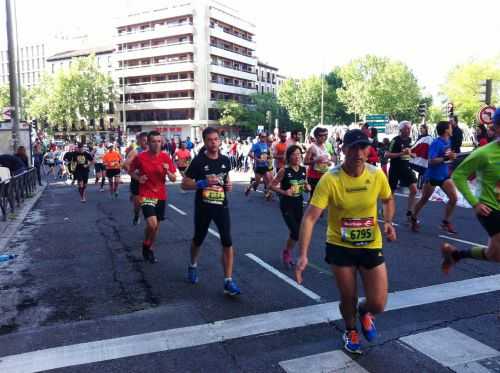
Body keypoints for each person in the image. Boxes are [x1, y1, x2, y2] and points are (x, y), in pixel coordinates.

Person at [295, 129, 396, 354]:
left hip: (370, 244)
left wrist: (388, 222)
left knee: (378, 303)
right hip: (340, 245)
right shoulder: (330, 179)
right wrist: (303, 255)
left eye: (363, 147)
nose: (359, 153)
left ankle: (365, 311)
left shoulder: (376, 174)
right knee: (347, 296)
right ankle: (350, 330)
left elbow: (388, 200)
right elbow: (310, 217)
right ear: (344, 149)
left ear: (368, 150)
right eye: (353, 148)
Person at [181, 127, 240, 296]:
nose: (213, 142)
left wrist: (228, 185)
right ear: (205, 142)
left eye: (216, 139)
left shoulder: (225, 160)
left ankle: (228, 281)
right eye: (210, 140)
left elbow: (226, 179)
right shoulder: (198, 161)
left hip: (221, 205)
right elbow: (184, 184)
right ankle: (193, 265)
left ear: (219, 140)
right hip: (204, 206)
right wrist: (202, 184)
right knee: (198, 239)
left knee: (227, 241)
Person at [441, 109, 500, 273]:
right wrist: (475, 203)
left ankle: (456, 255)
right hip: (489, 208)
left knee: (494, 254)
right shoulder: (484, 153)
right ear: (497, 128)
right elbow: (459, 175)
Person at [129, 131, 177, 263]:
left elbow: (173, 179)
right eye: (154, 141)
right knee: (152, 223)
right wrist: (139, 178)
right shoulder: (140, 157)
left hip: (161, 195)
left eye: (159, 141)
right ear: (148, 143)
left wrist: (167, 171)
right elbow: (130, 170)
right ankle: (146, 244)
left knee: (155, 227)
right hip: (146, 194)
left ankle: (149, 247)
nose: (157, 144)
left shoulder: (166, 157)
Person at [411, 121, 458, 234]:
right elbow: (431, 161)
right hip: (432, 176)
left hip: (444, 175)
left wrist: (451, 156)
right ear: (446, 130)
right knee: (424, 200)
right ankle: (413, 218)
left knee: (454, 198)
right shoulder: (436, 143)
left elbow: (447, 157)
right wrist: (446, 159)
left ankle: (445, 222)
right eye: (451, 128)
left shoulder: (448, 141)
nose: (452, 129)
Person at [270, 145, 310, 268]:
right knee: (296, 232)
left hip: (298, 203)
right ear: (289, 156)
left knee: (296, 233)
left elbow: (305, 184)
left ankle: (287, 250)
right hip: (286, 204)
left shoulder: (303, 170)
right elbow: (271, 185)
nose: (297, 156)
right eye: (294, 154)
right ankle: (287, 253)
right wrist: (284, 192)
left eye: (299, 154)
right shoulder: (284, 170)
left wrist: (307, 188)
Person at [386, 121, 418, 222]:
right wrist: (401, 153)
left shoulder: (409, 140)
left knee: (414, 190)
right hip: (395, 168)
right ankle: (387, 210)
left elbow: (413, 154)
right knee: (391, 192)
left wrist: (411, 154)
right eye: (407, 128)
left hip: (405, 167)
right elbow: (387, 155)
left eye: (410, 128)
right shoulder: (395, 140)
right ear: (401, 130)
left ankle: (409, 212)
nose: (409, 130)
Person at [124, 132, 148, 225]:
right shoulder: (135, 152)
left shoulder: (153, 151)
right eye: (144, 140)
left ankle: (149, 217)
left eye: (147, 140)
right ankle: (137, 215)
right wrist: (136, 173)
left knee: (149, 203)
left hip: (149, 182)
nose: (146, 142)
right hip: (137, 181)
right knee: (138, 204)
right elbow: (125, 165)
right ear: (140, 141)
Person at [304, 127, 332, 201]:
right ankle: (313, 211)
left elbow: (324, 160)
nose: (324, 137)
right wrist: (315, 160)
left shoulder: (324, 146)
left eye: (326, 135)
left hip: (324, 174)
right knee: (315, 197)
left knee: (322, 196)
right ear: (316, 136)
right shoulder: (312, 147)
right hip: (313, 176)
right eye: (321, 135)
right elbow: (305, 162)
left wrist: (328, 162)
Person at [245, 131, 273, 200]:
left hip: (265, 166)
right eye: (262, 137)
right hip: (258, 166)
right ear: (259, 137)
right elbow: (249, 153)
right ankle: (249, 187)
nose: (264, 138)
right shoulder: (256, 145)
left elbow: (268, 154)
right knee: (257, 183)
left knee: (268, 181)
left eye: (265, 137)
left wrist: (269, 158)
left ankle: (268, 194)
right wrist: (257, 159)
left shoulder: (266, 145)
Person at [410, 124, 433, 189]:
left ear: (426, 129)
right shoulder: (420, 137)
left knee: (423, 172)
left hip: (424, 157)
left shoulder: (429, 138)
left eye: (422, 128)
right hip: (418, 157)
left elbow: (429, 147)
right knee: (421, 171)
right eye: (420, 128)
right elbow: (416, 146)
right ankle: (419, 185)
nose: (420, 129)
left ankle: (422, 186)